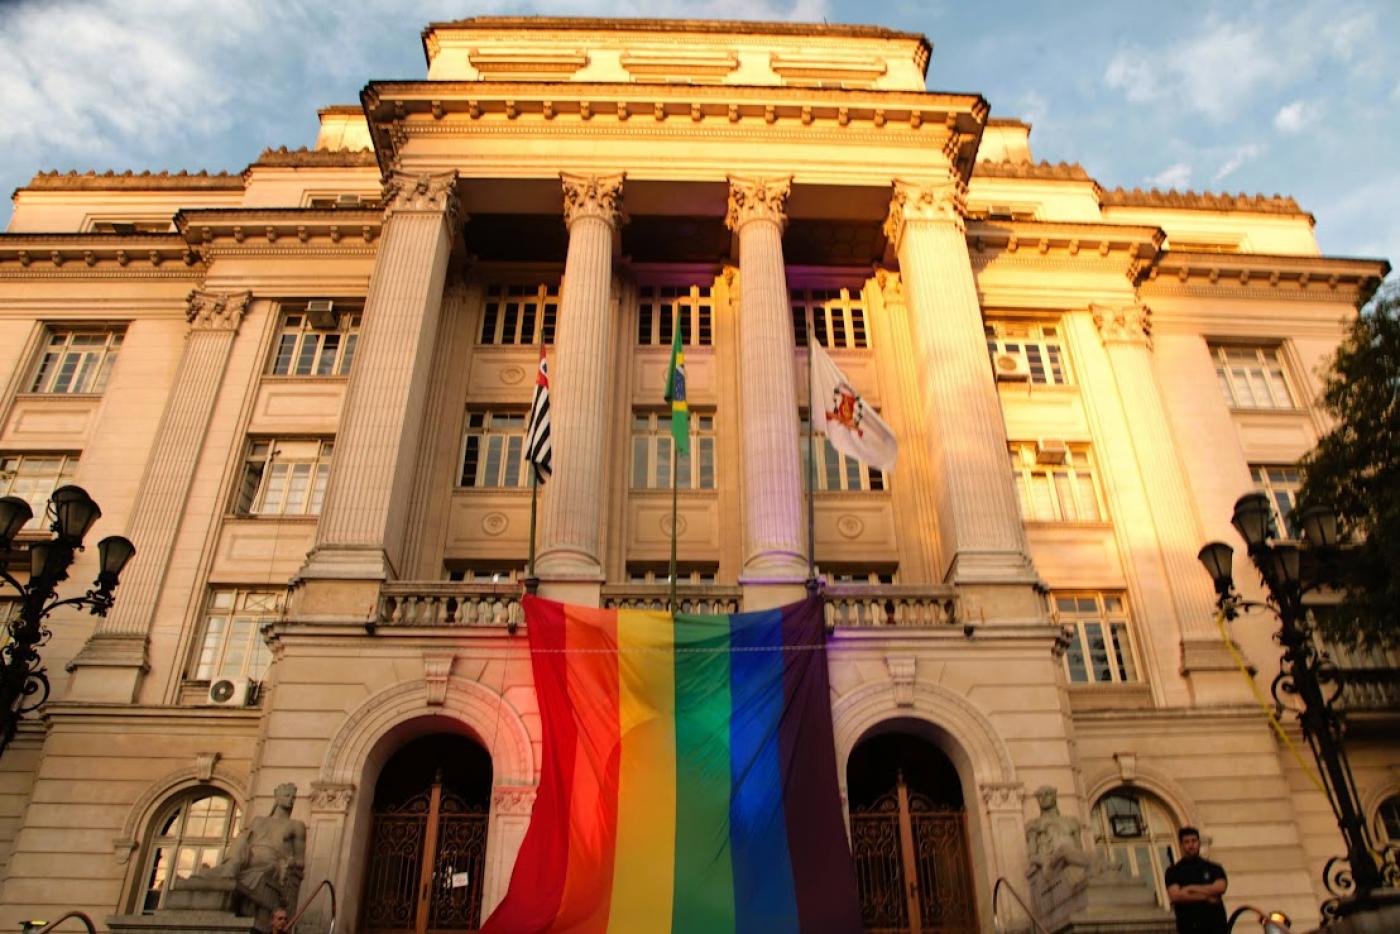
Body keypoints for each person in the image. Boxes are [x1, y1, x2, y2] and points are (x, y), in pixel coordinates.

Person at [1164, 826, 1228, 934]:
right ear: (1181, 845)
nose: (1191, 845)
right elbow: (1176, 896)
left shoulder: (1214, 868)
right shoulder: (1173, 871)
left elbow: (1220, 887)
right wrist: (1208, 896)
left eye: (1194, 841)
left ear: (1199, 843)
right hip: (1189, 927)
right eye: (1187, 842)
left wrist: (1190, 888)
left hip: (1216, 927)